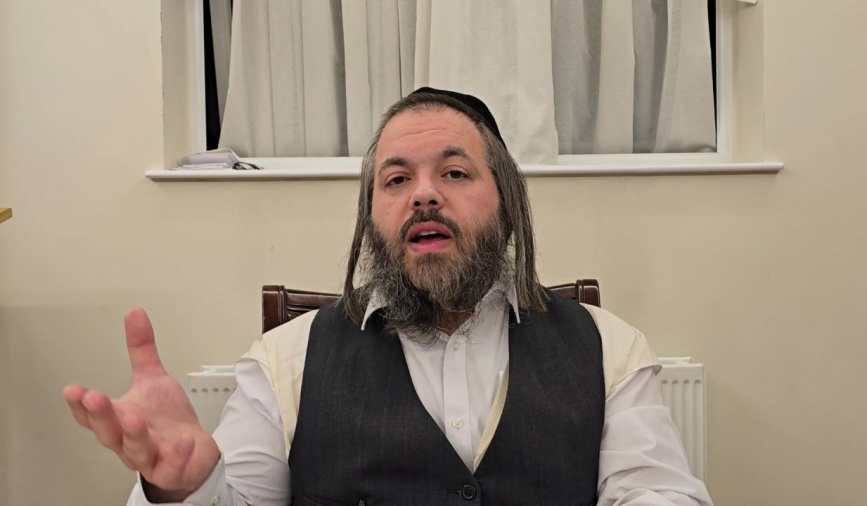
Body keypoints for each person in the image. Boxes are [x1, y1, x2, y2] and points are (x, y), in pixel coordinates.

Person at [64, 88, 714, 505]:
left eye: (454, 172)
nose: (424, 194)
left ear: (508, 203)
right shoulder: (285, 361)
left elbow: (658, 493)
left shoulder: (608, 347)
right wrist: (186, 489)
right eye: (396, 179)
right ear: (370, 215)